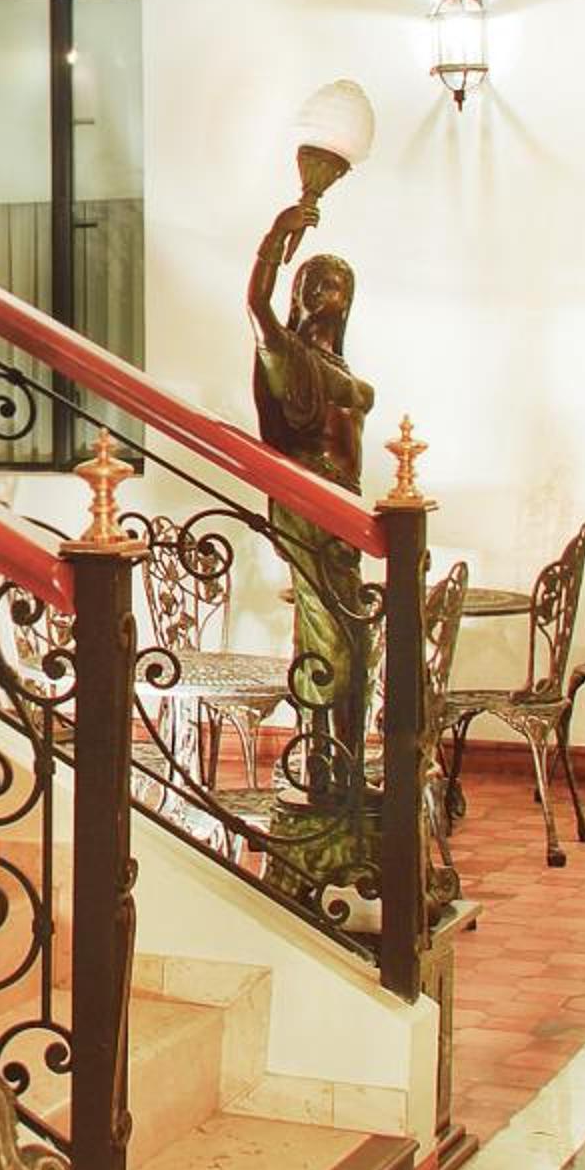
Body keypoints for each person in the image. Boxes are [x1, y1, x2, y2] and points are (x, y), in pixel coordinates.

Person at [247, 201, 374, 800]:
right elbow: (255, 306)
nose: (330, 292)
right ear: (299, 292)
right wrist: (276, 238)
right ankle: (325, 766)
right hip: (309, 501)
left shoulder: (332, 361)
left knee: (348, 633)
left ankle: (343, 763)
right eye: (318, 282)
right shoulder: (287, 356)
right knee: (330, 637)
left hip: (345, 505)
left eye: (339, 285)